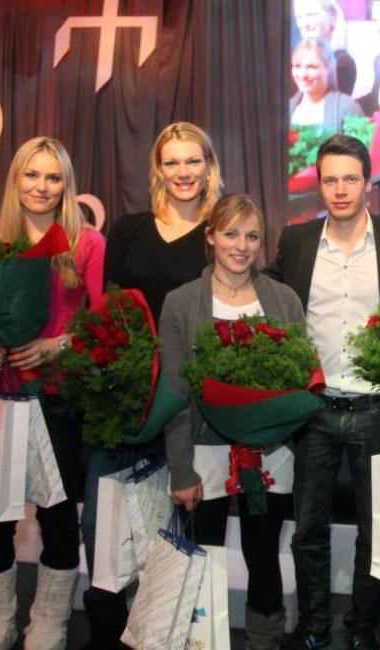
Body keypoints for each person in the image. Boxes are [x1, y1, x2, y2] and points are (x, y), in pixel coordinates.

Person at [266, 134, 380, 650]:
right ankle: (313, 627)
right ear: (319, 185)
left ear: (368, 183)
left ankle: (362, 630)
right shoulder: (297, 241)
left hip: (378, 409)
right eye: (331, 180)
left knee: (376, 531)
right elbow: (268, 301)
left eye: (351, 179)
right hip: (315, 409)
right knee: (309, 530)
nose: (341, 189)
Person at [81, 121, 222, 647]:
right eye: (172, 162)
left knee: (174, 536)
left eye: (193, 160)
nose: (183, 172)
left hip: (189, 407)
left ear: (209, 166)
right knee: (103, 529)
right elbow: (107, 312)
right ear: (158, 170)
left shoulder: (220, 232)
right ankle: (106, 635)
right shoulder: (129, 229)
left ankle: (163, 634)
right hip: (127, 401)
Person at [0, 137, 105, 650]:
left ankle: (49, 620)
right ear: (15, 179)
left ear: (65, 184)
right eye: (32, 175)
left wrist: (56, 345)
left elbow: (101, 322)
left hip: (57, 396)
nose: (42, 186)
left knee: (58, 516)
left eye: (52, 177)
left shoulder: (86, 243)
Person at [160, 193, 304, 650]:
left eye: (252, 236)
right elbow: (175, 393)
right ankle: (203, 641)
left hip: (270, 453)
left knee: (263, 557)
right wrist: (180, 470)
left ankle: (265, 641)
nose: (242, 246)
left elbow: (300, 377)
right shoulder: (181, 302)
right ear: (210, 237)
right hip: (204, 453)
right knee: (204, 557)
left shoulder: (283, 299)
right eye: (231, 234)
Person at [290, 37, 364, 133]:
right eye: (297, 66)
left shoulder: (348, 108)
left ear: (329, 67)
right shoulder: (287, 108)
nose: (303, 74)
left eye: (311, 67)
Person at [293, 0, 357, 95]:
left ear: (332, 16)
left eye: (311, 15)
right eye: (299, 17)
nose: (305, 24)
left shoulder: (341, 62)